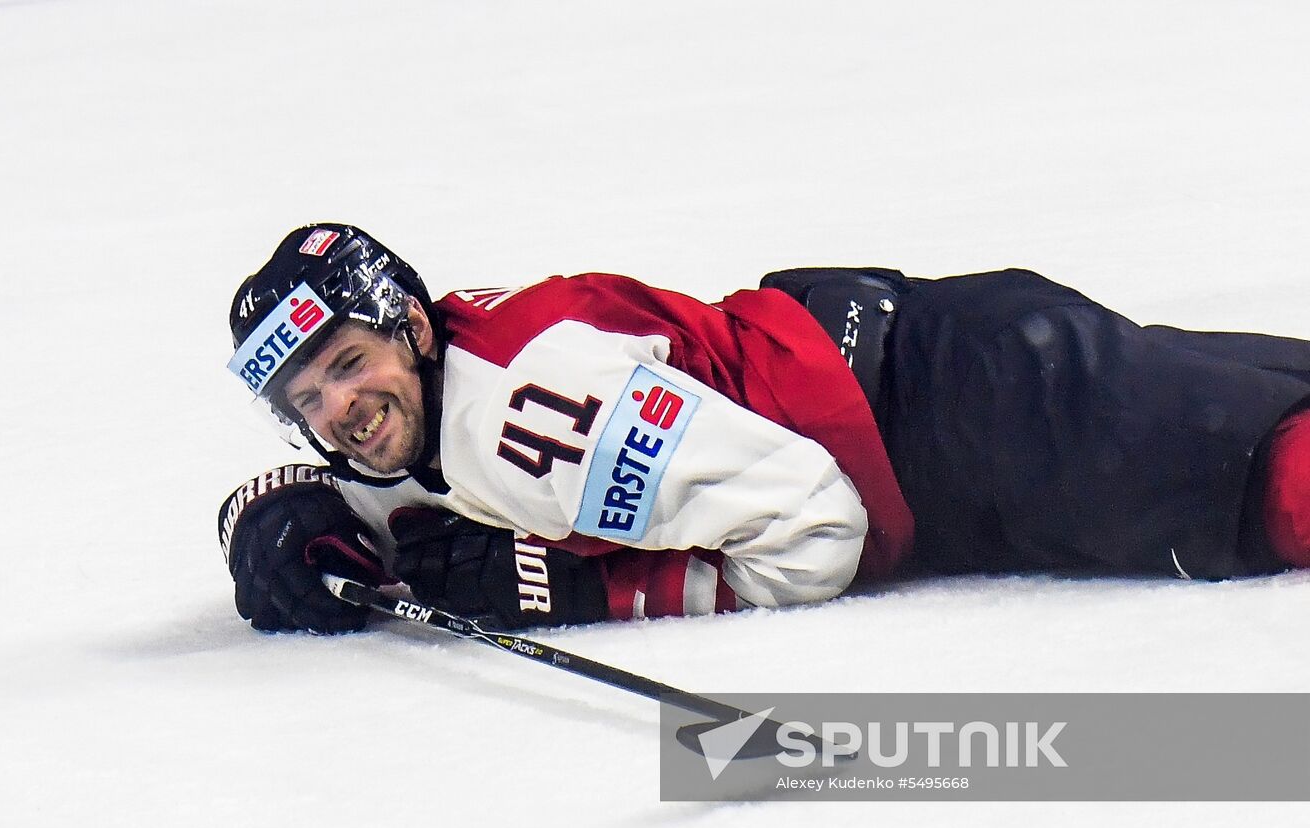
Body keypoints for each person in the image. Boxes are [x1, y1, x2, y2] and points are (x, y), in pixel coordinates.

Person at [217, 223, 1310, 633]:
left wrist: (583, 588)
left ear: (406, 325)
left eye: (348, 365)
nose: (338, 413)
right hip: (938, 356)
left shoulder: (521, 411)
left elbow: (813, 533)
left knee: (1279, 486)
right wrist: (282, 512)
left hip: (963, 427)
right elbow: (427, 469)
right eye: (303, 399)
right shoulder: (458, 363)